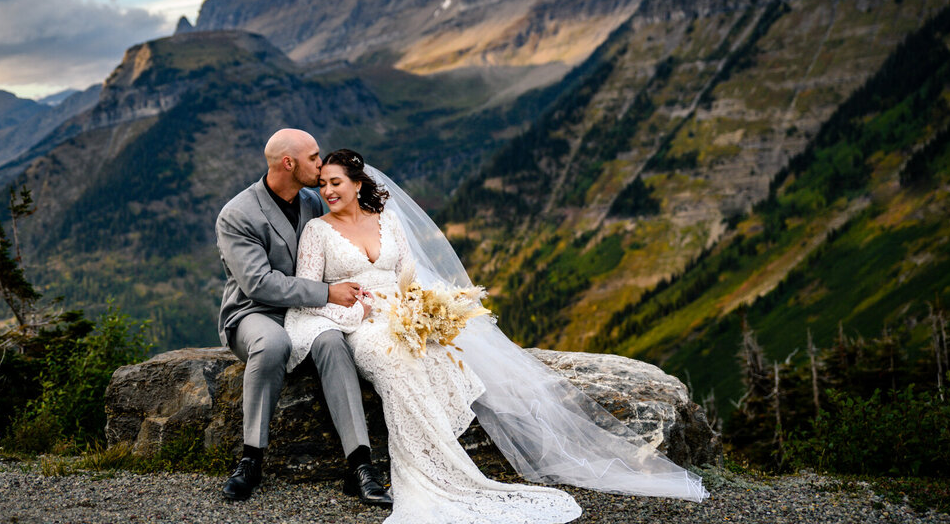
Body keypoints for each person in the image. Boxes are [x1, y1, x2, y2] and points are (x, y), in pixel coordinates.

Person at [285, 148, 708, 524]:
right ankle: (429, 472)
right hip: (358, 322)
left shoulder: (389, 221)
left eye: (335, 182)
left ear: (358, 184)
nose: (327, 191)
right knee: (396, 361)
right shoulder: (317, 232)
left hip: (403, 314)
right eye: (322, 185)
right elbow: (306, 294)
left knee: (436, 355)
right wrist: (351, 306)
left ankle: (443, 461)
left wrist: (421, 312)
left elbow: (409, 278)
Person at [215, 129, 392, 505]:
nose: (320, 162)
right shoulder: (237, 214)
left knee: (331, 342)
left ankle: (360, 465)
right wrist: (328, 293)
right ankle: (251, 458)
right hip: (257, 312)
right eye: (313, 157)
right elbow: (259, 284)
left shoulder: (314, 201)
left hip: (311, 312)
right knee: (273, 342)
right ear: (288, 163)